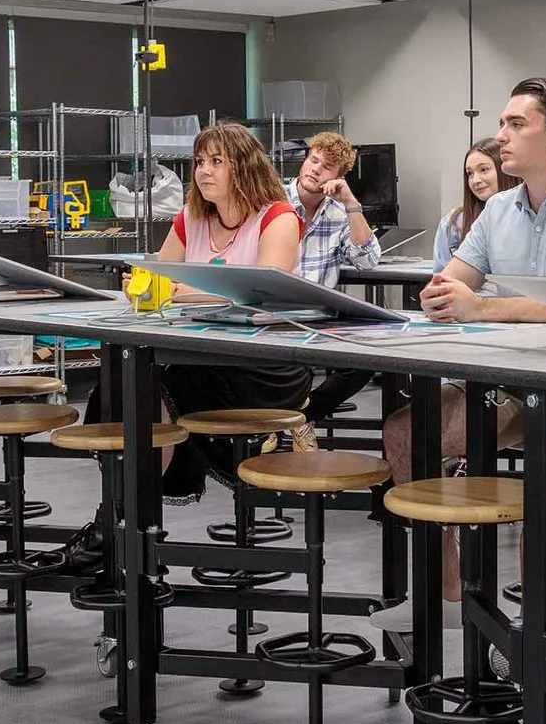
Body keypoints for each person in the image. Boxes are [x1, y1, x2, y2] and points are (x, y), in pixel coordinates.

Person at [383, 78, 546, 596]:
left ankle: (533, 628)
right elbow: (453, 280)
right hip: (510, 381)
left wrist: (480, 307)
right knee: (404, 434)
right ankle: (449, 590)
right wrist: (441, 296)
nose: (500, 135)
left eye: (515, 124)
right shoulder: (499, 209)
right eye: (501, 123)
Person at [148, 120, 311, 493]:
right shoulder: (191, 218)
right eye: (199, 161)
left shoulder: (278, 217)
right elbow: (162, 279)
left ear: (243, 167)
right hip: (201, 350)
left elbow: (255, 293)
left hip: (265, 362)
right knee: (126, 387)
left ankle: (134, 514)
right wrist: (148, 289)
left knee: (160, 383)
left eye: (216, 161)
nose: (203, 171)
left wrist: (183, 288)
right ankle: (131, 510)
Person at [284, 130, 381, 428]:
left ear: (337, 177)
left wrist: (351, 201)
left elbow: (367, 260)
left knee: (366, 362)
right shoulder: (271, 199)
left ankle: (300, 417)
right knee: (285, 371)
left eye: (326, 167)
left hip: (317, 320)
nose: (315, 169)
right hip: (271, 313)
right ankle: (283, 421)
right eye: (313, 160)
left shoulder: (340, 213)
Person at [428, 138, 515, 269]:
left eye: (484, 170)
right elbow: (443, 278)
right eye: (470, 173)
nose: (475, 180)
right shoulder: (453, 223)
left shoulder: (525, 215)